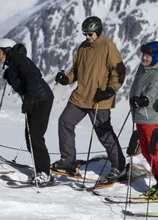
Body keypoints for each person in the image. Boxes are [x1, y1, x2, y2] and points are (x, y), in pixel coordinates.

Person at [52, 16, 126, 184]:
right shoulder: (83, 47)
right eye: (85, 34)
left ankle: (119, 166)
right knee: (65, 122)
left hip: (100, 99)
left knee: (104, 133)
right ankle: (68, 160)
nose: (87, 37)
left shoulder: (108, 47)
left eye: (90, 34)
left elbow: (119, 72)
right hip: (81, 96)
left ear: (98, 32)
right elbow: (76, 70)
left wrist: (109, 91)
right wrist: (66, 79)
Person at [0, 38, 54, 186]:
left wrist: (30, 100)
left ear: (7, 50)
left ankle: (44, 173)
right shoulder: (14, 62)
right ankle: (41, 170)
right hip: (37, 99)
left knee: (35, 137)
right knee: (30, 137)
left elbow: (33, 77)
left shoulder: (18, 59)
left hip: (40, 99)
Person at [128, 41, 158, 199]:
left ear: (156, 56)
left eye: (148, 56)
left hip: (152, 119)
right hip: (140, 116)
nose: (144, 58)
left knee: (155, 153)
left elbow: (154, 91)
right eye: (143, 55)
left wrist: (143, 100)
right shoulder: (142, 68)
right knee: (145, 151)